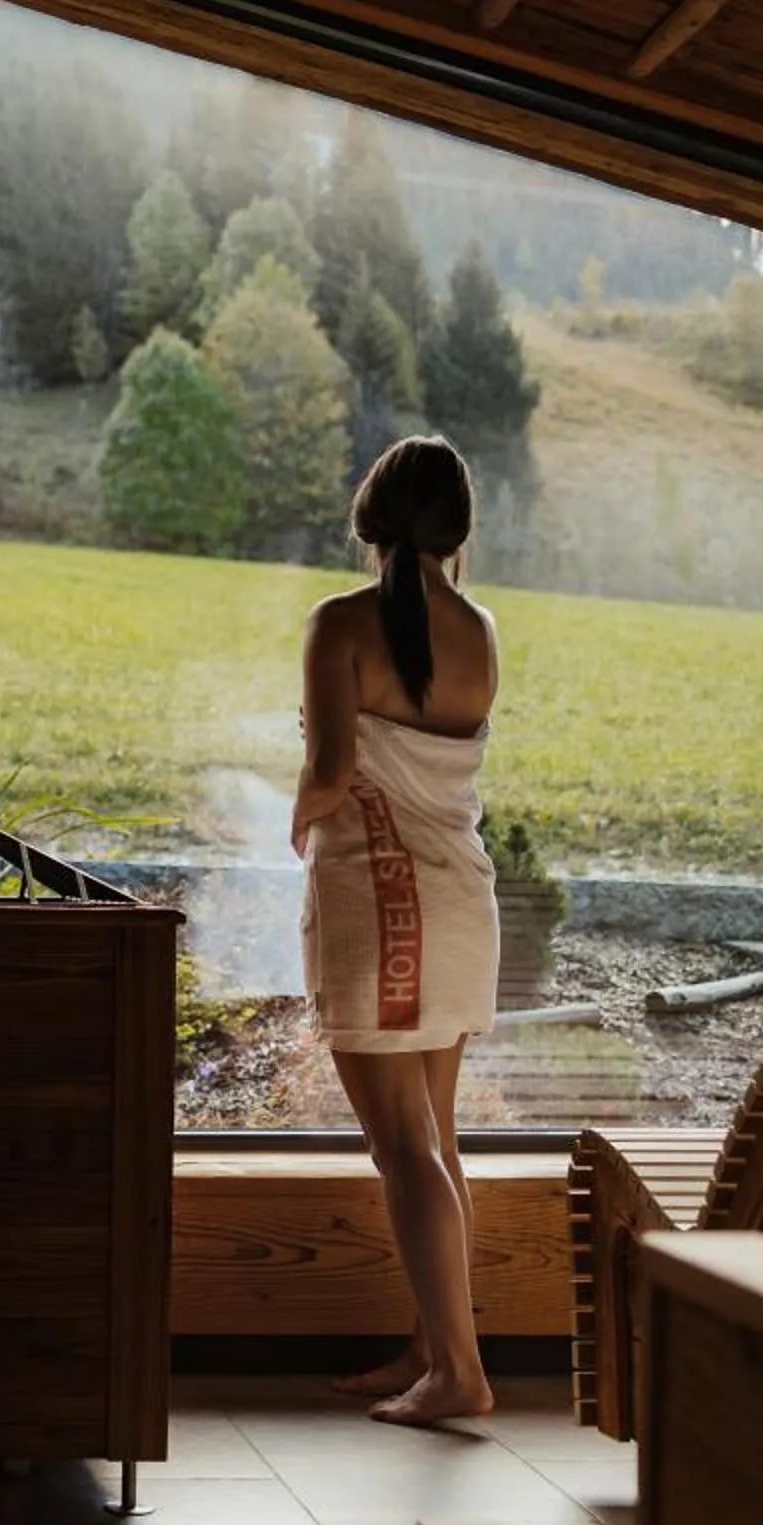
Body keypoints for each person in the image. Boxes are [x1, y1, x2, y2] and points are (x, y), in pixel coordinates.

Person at [290, 435, 500, 1426]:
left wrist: (296, 818)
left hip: (385, 909)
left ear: (369, 517)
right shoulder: (482, 632)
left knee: (402, 1148)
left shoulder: (339, 623)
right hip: (461, 902)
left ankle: (459, 1372)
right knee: (436, 1138)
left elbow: (333, 766)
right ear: (457, 529)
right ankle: (434, 1344)